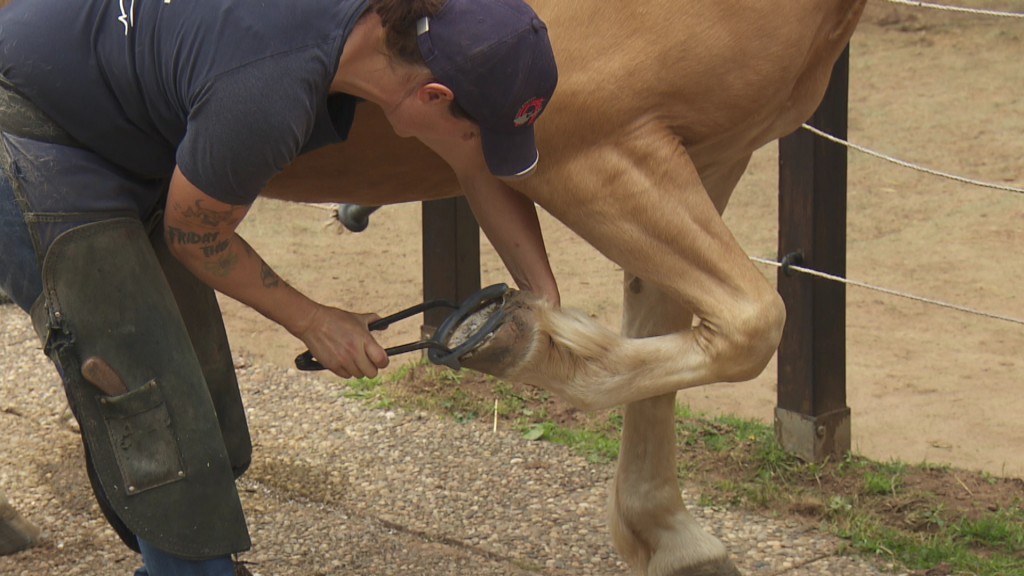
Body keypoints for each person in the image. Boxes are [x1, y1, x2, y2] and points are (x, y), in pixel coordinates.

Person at [0, 0, 559, 573]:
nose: (475, 145)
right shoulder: (270, 90)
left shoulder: (395, 32)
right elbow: (193, 233)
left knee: (202, 406)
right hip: (30, 126)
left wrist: (547, 304)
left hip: (109, 115)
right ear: (433, 96)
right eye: (475, 131)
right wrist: (313, 320)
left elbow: (472, 165)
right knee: (151, 409)